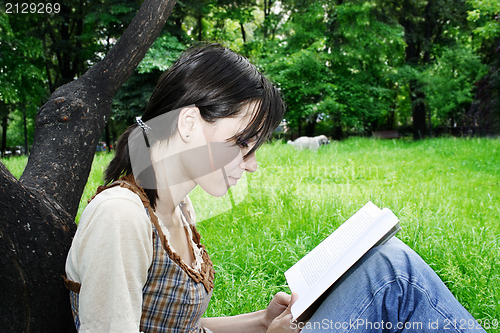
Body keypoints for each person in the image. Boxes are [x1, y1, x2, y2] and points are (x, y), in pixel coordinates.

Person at [64, 44, 486, 333]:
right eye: (244, 144)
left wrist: (260, 322)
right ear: (190, 124)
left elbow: (182, 328)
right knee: (393, 274)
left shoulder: (177, 208)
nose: (252, 165)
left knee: (390, 265)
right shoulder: (121, 216)